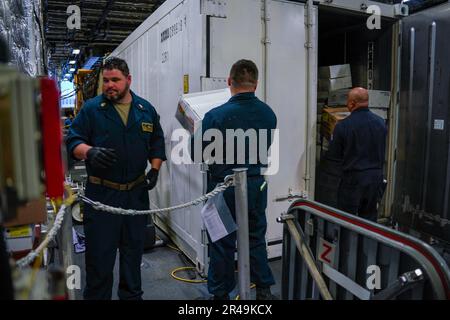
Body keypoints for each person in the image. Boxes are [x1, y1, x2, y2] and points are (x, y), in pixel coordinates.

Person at [66, 57, 166, 300]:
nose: (109, 85)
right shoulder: (92, 109)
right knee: (100, 260)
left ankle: (131, 296)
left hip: (135, 195)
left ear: (128, 80)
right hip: (102, 197)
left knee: (133, 257)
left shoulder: (145, 110)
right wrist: (89, 151)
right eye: (106, 80)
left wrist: (154, 170)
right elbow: (72, 141)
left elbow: (157, 143)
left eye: (115, 80)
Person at [197, 59, 277, 300]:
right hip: (255, 184)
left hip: (224, 186)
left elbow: (195, 151)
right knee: (255, 237)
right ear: (256, 83)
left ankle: (221, 295)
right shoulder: (268, 114)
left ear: (229, 82)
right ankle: (264, 290)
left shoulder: (215, 116)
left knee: (221, 240)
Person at [326, 87, 387, 222]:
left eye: (348, 101)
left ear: (352, 103)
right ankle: (367, 243)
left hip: (353, 181)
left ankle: (348, 243)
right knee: (370, 219)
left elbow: (334, 157)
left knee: (348, 221)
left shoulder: (343, 126)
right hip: (375, 180)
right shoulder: (381, 123)